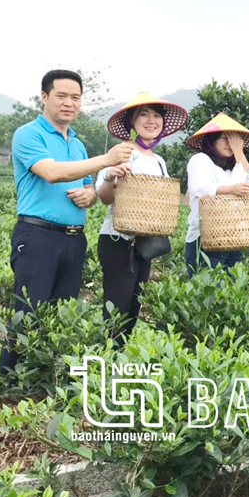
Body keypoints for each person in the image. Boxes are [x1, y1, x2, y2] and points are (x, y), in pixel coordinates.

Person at [0, 69, 134, 380]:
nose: (69, 103)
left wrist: (88, 195)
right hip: (38, 236)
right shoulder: (28, 134)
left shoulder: (77, 143)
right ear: (45, 97)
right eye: (61, 95)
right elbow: (52, 172)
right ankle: (10, 384)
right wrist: (107, 159)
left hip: (73, 239)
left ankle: (46, 381)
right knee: (28, 314)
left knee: (61, 315)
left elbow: (88, 188)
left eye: (75, 97)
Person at [96, 93, 188, 345]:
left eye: (157, 115)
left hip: (145, 244)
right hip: (117, 240)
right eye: (144, 115)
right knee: (116, 305)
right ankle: (106, 359)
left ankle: (119, 357)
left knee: (134, 305)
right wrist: (110, 177)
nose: (152, 120)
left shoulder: (159, 161)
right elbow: (104, 198)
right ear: (132, 122)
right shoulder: (122, 152)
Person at [184, 113, 249, 276]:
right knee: (207, 296)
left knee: (231, 295)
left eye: (233, 141)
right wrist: (232, 190)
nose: (229, 144)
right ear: (212, 141)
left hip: (233, 240)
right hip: (204, 239)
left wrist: (240, 153)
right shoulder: (201, 159)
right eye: (224, 138)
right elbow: (199, 187)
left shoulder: (232, 168)